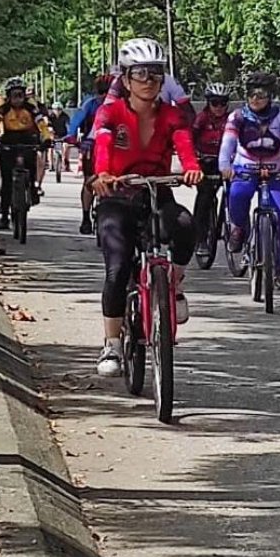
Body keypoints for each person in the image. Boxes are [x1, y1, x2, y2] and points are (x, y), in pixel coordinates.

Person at [90, 38, 202, 377]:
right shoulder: (111, 112)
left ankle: (175, 284)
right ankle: (111, 344)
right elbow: (104, 144)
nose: (149, 81)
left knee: (184, 225)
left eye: (155, 74)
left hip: (157, 192)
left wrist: (192, 168)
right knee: (118, 267)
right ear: (125, 80)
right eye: (140, 74)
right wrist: (104, 174)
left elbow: (184, 146)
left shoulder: (172, 115)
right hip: (117, 196)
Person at [218, 72, 280, 290]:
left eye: (261, 94)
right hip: (244, 170)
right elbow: (228, 143)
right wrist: (224, 166)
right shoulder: (237, 117)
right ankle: (238, 228)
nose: (255, 99)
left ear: (271, 96)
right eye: (251, 94)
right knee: (238, 197)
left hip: (275, 173)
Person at [0, 78, 52, 230]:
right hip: (8, 140)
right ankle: (4, 215)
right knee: (7, 179)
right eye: (14, 96)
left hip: (28, 139)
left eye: (20, 95)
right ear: (8, 96)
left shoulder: (31, 108)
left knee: (31, 165)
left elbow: (42, 124)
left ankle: (33, 189)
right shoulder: (2, 108)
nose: (17, 99)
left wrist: (47, 138)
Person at [67, 75, 111, 235]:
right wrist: (71, 136)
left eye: (108, 91)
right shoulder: (90, 105)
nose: (104, 96)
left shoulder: (121, 105)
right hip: (92, 147)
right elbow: (75, 122)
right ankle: (86, 217)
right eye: (101, 92)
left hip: (117, 147)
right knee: (89, 181)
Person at [192, 82, 231, 249]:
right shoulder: (201, 119)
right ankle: (200, 237)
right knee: (205, 197)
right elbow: (189, 140)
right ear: (208, 103)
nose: (219, 107)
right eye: (215, 103)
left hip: (226, 162)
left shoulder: (232, 120)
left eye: (223, 103)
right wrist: (194, 159)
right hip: (205, 162)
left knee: (234, 193)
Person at [47, 102, 71, 173]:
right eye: (55, 109)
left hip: (63, 135)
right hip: (53, 135)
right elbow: (48, 124)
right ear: (52, 109)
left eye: (59, 109)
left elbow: (68, 126)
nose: (57, 111)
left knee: (66, 146)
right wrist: (50, 129)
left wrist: (69, 134)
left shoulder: (65, 116)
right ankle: (51, 165)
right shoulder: (50, 116)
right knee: (50, 148)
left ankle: (66, 163)